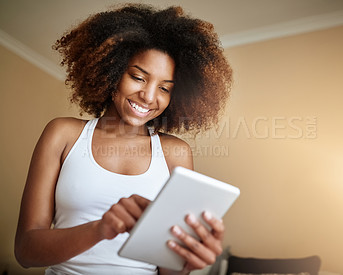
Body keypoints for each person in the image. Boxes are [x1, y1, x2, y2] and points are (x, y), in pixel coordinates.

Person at [14, 3, 232, 275]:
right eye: (138, 77)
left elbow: (168, 270)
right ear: (111, 71)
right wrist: (100, 229)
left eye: (164, 88)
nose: (149, 97)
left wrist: (185, 260)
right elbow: (25, 251)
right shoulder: (64, 134)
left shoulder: (175, 153)